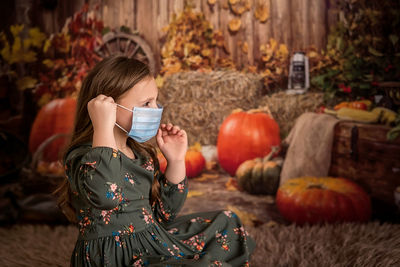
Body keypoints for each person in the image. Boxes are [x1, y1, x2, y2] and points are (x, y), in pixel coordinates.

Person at [55, 55, 256, 266]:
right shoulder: (83, 156)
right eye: (146, 103)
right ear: (107, 106)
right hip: (114, 257)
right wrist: (103, 127)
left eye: (155, 101)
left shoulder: (140, 155)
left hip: (152, 240)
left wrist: (176, 161)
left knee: (226, 222)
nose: (155, 110)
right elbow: (107, 195)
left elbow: (164, 215)